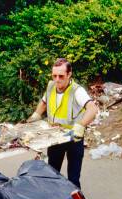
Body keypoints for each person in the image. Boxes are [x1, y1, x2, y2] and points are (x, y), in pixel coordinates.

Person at [27, 58, 98, 188]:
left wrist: (81, 126)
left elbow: (92, 109)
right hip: (55, 137)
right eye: (54, 76)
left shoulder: (77, 91)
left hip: (73, 138)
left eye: (61, 76)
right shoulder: (51, 87)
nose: (57, 80)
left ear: (69, 74)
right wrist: (36, 115)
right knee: (52, 174)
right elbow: (44, 102)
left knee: (73, 179)